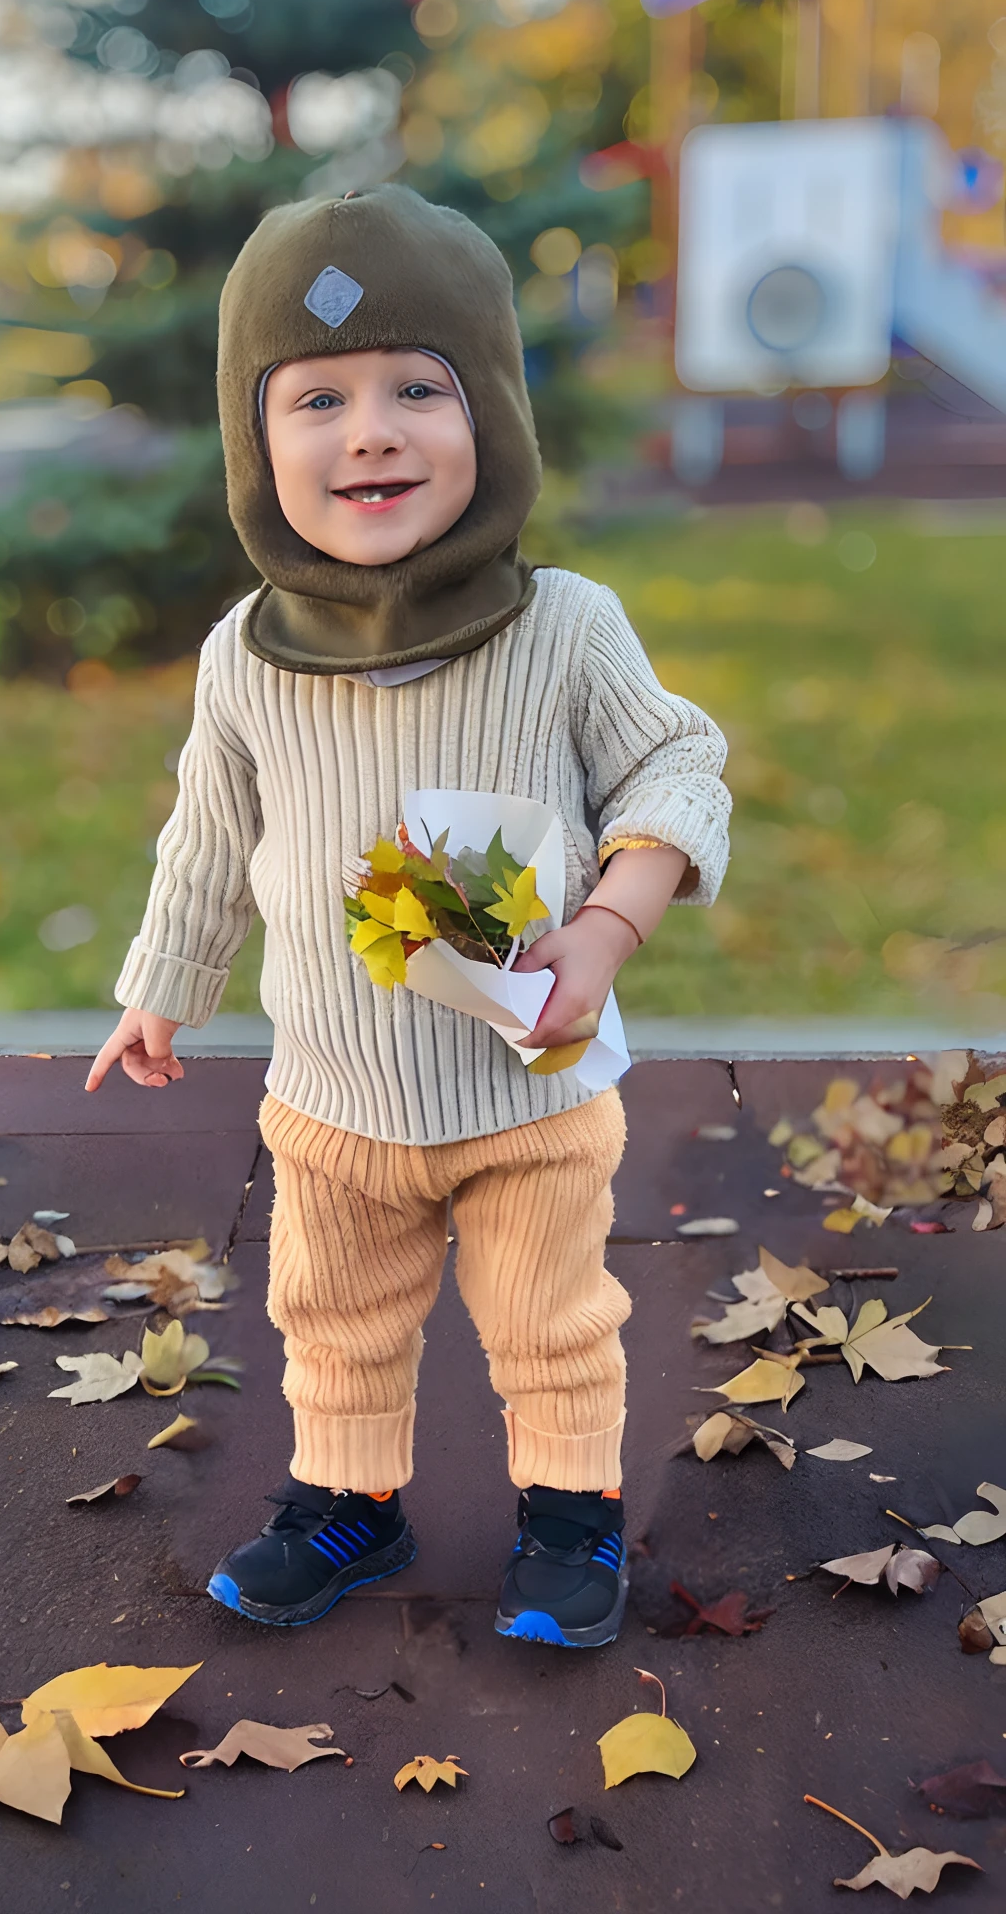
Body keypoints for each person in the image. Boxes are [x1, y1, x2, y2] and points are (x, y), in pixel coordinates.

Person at [86, 186, 730, 1649]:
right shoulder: (246, 660)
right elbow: (209, 829)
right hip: (336, 1098)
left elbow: (679, 764)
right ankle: (349, 1508)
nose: (369, 431)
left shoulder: (566, 626)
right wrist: (163, 985)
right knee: (336, 1322)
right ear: (258, 445)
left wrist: (614, 924)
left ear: (491, 415)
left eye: (417, 389)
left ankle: (570, 1523)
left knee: (552, 1321)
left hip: (528, 1085)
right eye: (317, 398)